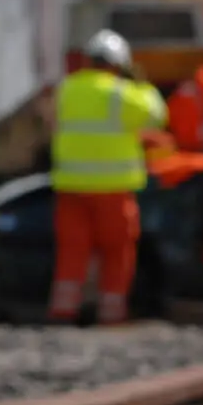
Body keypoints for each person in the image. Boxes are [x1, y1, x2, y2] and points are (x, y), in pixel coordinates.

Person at [48, 29, 169, 325]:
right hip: (112, 189)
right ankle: (111, 313)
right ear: (119, 63)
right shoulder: (122, 93)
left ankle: (64, 310)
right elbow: (157, 114)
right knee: (117, 250)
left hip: (71, 186)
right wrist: (138, 82)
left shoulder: (66, 88)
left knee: (72, 250)